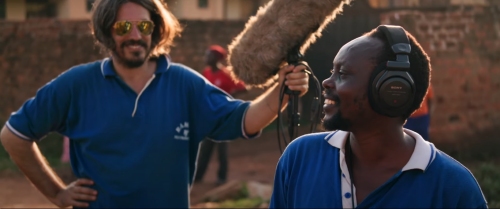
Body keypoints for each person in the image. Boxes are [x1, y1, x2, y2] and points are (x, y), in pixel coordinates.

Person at [0, 0, 309, 208]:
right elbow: (14, 135)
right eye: (123, 28)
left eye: (144, 27)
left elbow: (246, 119)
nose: (135, 35)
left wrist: (281, 89)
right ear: (107, 31)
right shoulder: (77, 85)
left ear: (156, 29)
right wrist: (56, 193)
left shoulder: (184, 84)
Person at [269, 25, 487, 208]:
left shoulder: (453, 187)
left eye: (342, 74)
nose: (327, 82)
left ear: (391, 90)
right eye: (331, 72)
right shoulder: (299, 158)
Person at [194, 45, 247, 186]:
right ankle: (198, 177)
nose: (206, 58)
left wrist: (228, 97)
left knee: (222, 150)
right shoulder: (207, 73)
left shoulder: (226, 74)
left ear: (216, 58)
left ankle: (222, 177)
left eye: (209, 55)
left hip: (224, 117)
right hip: (209, 117)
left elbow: (243, 88)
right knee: (205, 149)